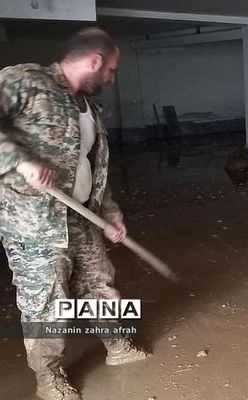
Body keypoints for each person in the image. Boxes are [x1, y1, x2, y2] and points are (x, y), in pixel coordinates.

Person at [0, 27, 147, 400]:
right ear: (94, 61)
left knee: (99, 283)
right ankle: (48, 378)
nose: (112, 78)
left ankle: (118, 345)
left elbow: (93, 166)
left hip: (82, 215)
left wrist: (111, 212)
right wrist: (20, 161)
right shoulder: (26, 80)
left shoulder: (89, 106)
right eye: (111, 70)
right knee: (46, 302)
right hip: (34, 224)